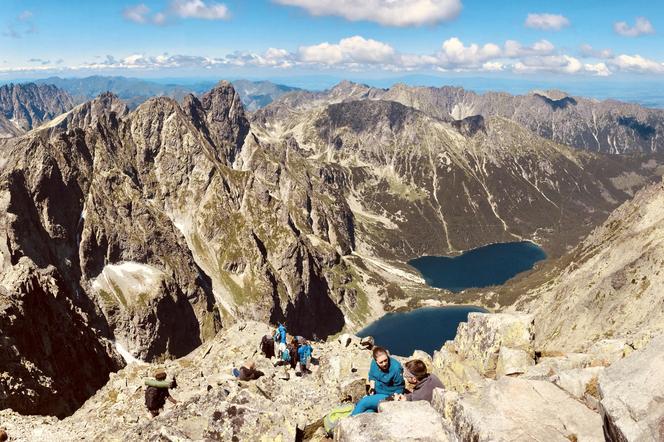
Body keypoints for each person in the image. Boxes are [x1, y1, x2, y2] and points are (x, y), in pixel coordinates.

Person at [351, 346, 404, 415]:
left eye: (386, 360)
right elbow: (372, 376)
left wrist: (393, 398)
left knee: (364, 402)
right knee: (368, 411)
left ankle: (348, 420)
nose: (384, 364)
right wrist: (372, 387)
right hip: (376, 392)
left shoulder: (396, 368)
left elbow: (399, 387)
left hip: (389, 395)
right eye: (381, 362)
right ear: (376, 361)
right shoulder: (374, 363)